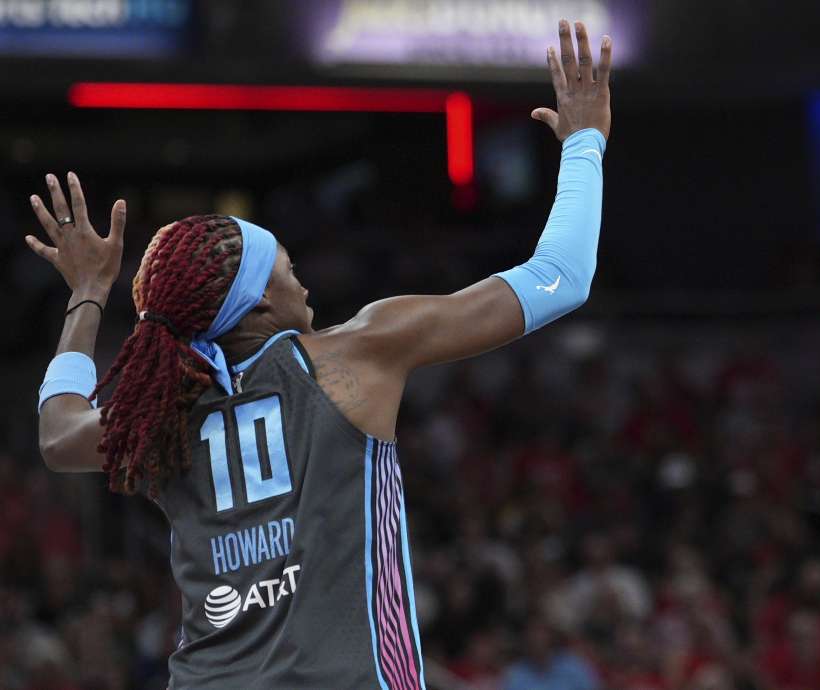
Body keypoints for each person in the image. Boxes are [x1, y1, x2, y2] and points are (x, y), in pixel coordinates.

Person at [28, 20, 612, 690]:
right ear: (257, 305)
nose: (301, 277)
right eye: (284, 267)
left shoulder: (155, 411)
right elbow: (561, 276)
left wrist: (86, 297)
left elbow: (56, 432)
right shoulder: (358, 352)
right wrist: (584, 143)